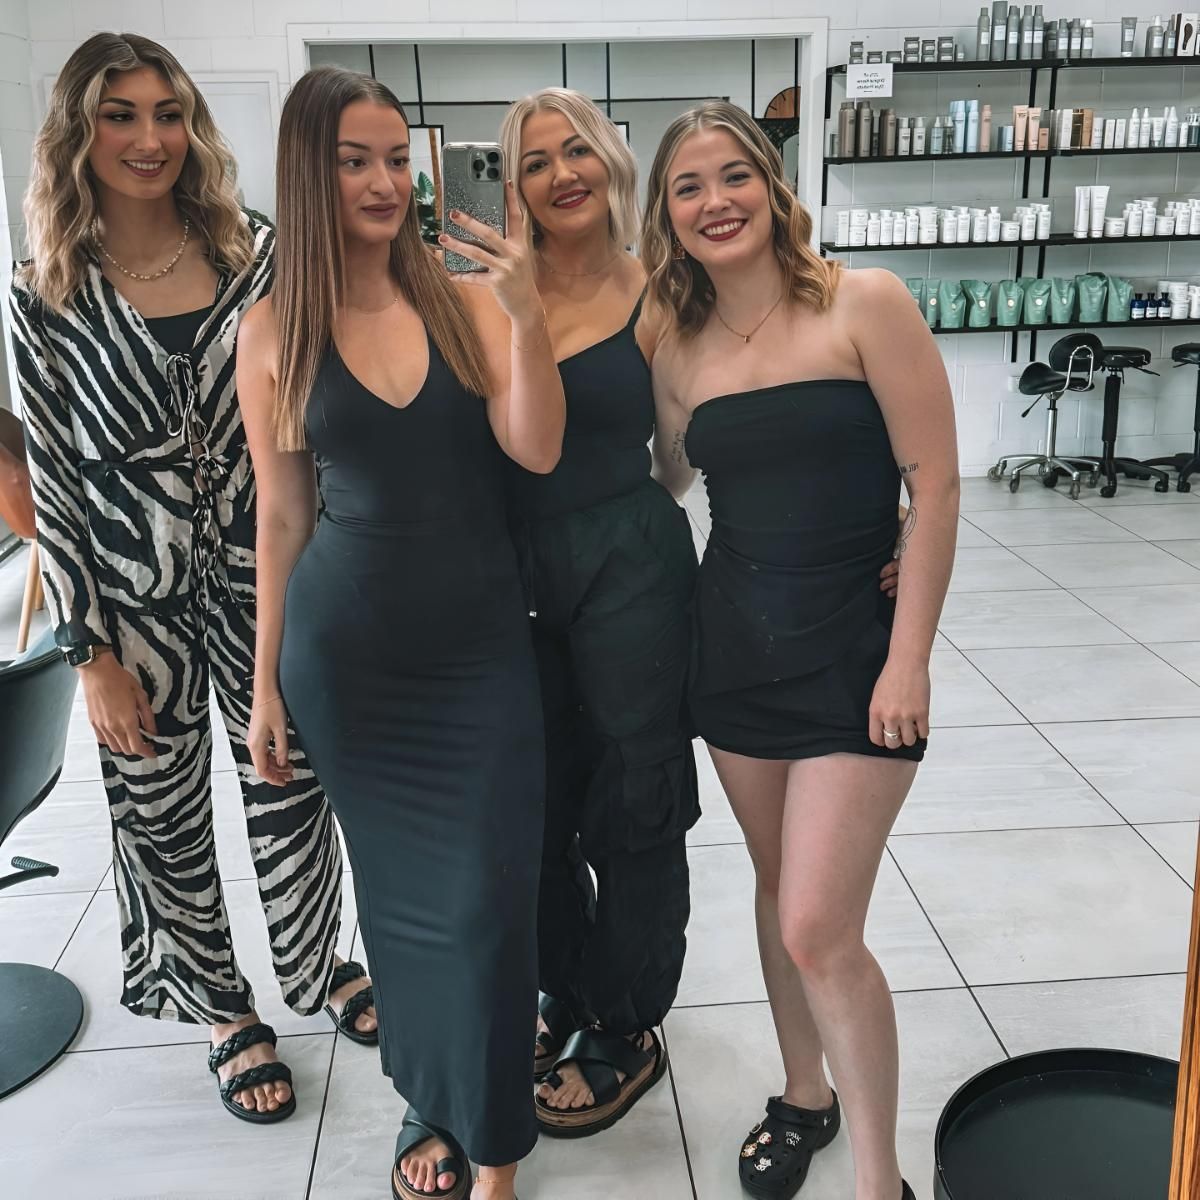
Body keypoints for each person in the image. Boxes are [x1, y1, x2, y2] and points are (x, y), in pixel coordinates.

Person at [8, 32, 376, 1128]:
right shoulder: (44, 291)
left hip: (270, 574)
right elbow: (56, 482)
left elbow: (312, 435)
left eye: (167, 112)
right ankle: (221, 1005)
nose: (150, 137)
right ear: (79, 130)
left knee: (292, 782)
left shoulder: (252, 252)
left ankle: (321, 968)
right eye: (120, 114)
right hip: (130, 600)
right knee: (157, 811)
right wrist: (87, 652)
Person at [238, 67, 564, 1200]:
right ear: (307, 173)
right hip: (350, 660)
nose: (384, 181)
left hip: (478, 651)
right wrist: (267, 681)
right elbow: (282, 512)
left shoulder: (470, 300)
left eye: (395, 159)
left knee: (487, 903)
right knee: (405, 911)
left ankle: (496, 1151)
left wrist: (527, 318)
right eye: (353, 160)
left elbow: (535, 451)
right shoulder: (272, 329)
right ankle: (436, 1101)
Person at [643, 101, 959, 1200]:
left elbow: (939, 483)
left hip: (855, 658)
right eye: (688, 186)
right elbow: (661, 484)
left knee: (821, 924)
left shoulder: (862, 301)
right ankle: (803, 1093)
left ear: (772, 186)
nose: (714, 201)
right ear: (667, 214)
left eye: (733, 176)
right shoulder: (671, 342)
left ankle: (880, 1178)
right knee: (784, 896)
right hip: (731, 649)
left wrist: (909, 654)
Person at [497, 86, 700, 1138]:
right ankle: (559, 990)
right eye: (536, 160)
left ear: (612, 165)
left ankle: (625, 1021)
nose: (561, 173)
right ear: (514, 184)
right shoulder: (483, 293)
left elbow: (678, 459)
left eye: (577, 150)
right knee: (529, 798)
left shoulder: (657, 292)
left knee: (635, 793)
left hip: (628, 556)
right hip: (507, 574)